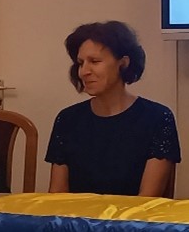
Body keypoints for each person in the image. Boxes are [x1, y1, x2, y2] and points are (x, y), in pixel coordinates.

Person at [46, 21, 180, 197]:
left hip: (131, 222)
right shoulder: (68, 119)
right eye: (80, 63)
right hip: (76, 222)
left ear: (123, 63)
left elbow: (147, 199)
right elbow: (57, 196)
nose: (84, 71)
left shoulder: (157, 117)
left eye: (94, 61)